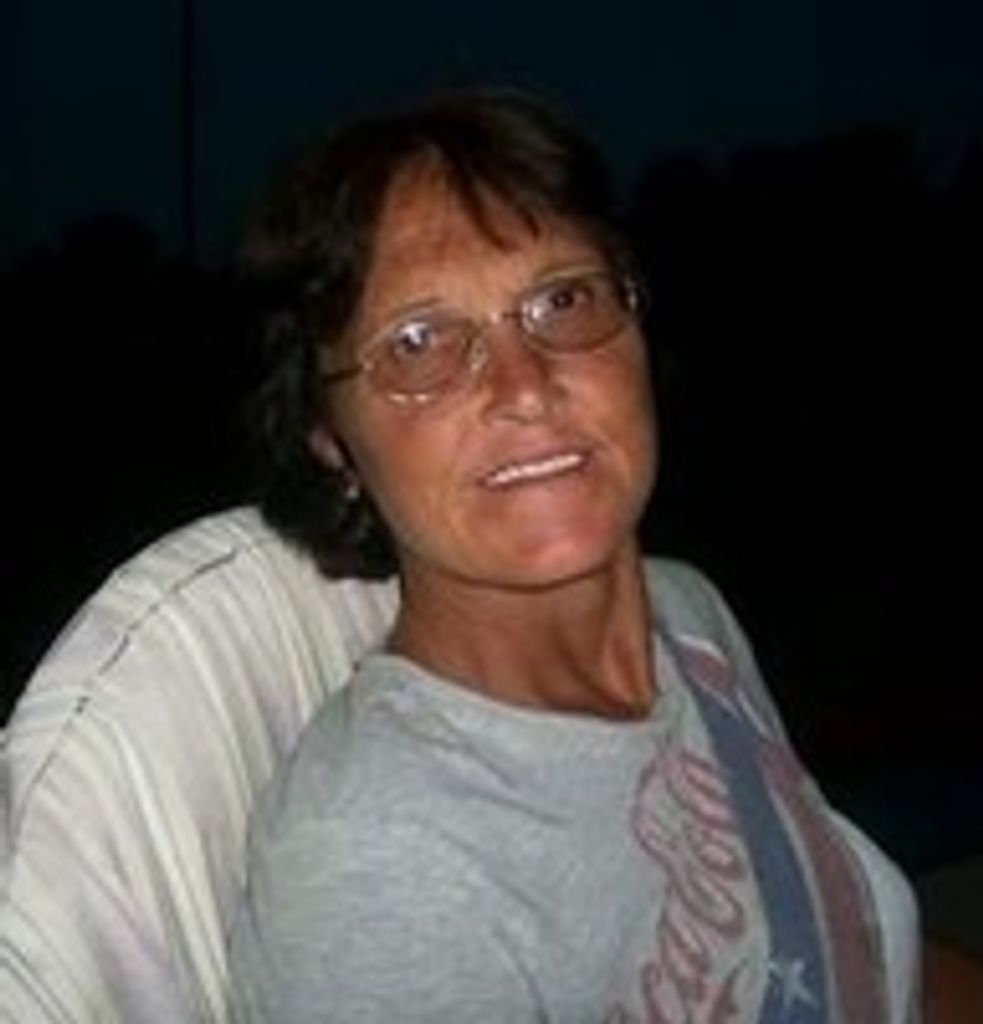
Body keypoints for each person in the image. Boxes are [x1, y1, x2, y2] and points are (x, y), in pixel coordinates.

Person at [227, 89, 920, 1022]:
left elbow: (848, 952)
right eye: (420, 343)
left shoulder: (690, 622)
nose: (525, 386)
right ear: (330, 439)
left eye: (561, 299)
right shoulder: (376, 866)